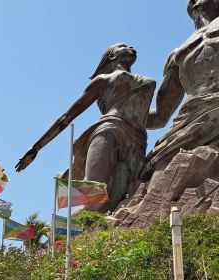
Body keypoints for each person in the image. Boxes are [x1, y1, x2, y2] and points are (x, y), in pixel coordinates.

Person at [15, 43, 156, 211]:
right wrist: (36, 147)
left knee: (116, 201)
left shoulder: (148, 82)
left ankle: (78, 226)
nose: (130, 47)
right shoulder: (103, 80)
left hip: (137, 143)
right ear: (111, 56)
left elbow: (155, 119)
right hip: (108, 132)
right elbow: (66, 117)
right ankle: (61, 231)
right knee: (95, 196)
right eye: (122, 46)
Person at [146, 0, 219, 174]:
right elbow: (159, 117)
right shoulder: (177, 54)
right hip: (188, 126)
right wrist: (123, 115)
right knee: (155, 173)